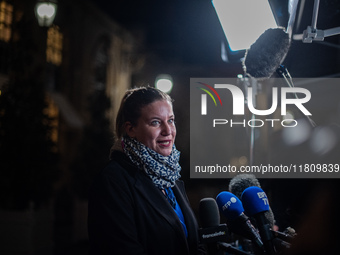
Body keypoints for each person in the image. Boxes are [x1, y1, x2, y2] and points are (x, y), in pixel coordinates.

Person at [88, 87, 205, 255]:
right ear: (130, 129)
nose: (168, 131)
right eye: (156, 122)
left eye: (170, 120)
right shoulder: (113, 181)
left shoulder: (171, 177)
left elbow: (193, 244)